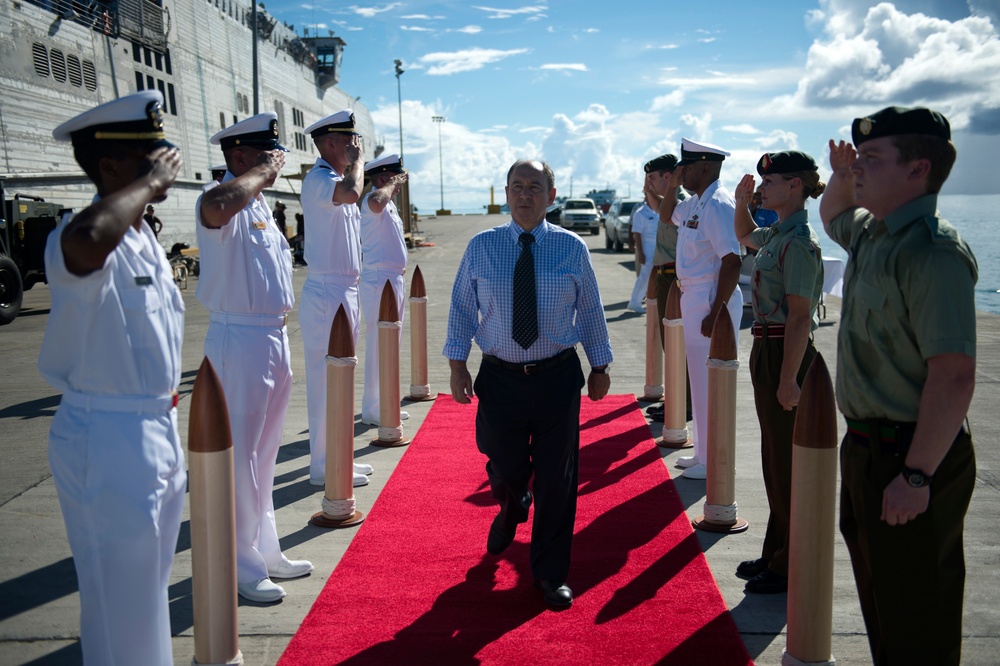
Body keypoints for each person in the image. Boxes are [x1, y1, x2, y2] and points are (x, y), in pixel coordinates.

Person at [821, 106, 977, 665]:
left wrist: (916, 475)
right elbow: (833, 211)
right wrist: (843, 177)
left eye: (872, 159)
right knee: (884, 605)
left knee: (918, 620)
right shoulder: (873, 232)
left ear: (918, 170)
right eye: (857, 158)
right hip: (868, 448)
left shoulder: (932, 252)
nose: (858, 168)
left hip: (911, 454)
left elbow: (954, 374)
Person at [41, 90, 185, 664]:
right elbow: (86, 243)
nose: (167, 162)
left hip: (155, 427)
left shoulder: (143, 236)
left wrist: (146, 191)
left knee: (147, 597)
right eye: (152, 155)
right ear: (110, 166)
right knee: (120, 602)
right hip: (108, 436)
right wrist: (149, 184)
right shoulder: (78, 236)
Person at [445, 159, 612, 607]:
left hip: (557, 376)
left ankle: (550, 572)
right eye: (517, 186)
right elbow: (462, 306)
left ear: (551, 195)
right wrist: (457, 363)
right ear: (506, 192)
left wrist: (600, 365)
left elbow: (591, 310)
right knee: (502, 462)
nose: (524, 195)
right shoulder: (482, 246)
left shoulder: (572, 248)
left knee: (558, 479)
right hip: (499, 377)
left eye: (534, 187)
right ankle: (511, 503)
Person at [197, 112, 313, 603]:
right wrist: (263, 173)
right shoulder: (221, 198)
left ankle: (266, 549)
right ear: (241, 156)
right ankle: (241, 565)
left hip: (272, 336)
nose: (278, 160)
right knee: (239, 457)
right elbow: (217, 207)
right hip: (237, 339)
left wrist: (262, 179)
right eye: (269, 153)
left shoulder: (261, 205)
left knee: (263, 457)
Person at [731, 151, 825, 595]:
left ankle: (788, 564)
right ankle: (775, 551)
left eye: (771, 183)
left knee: (786, 462)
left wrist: (789, 379)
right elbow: (746, 235)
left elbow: (801, 319)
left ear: (795, 187)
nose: (763, 189)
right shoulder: (776, 234)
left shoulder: (799, 243)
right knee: (774, 458)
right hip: (766, 348)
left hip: (784, 352)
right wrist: (741, 202)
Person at [658, 138, 743, 480]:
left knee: (712, 383)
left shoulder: (718, 204)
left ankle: (712, 460)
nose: (682, 171)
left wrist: (716, 312)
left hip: (711, 297)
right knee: (699, 379)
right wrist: (674, 186)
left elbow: (733, 261)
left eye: (687, 167)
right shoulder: (695, 203)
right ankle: (703, 453)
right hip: (696, 296)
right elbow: (666, 215)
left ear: (706, 167)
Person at [298, 109, 372, 487]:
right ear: (329, 143)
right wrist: (357, 165)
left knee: (342, 379)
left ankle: (340, 457)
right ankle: (323, 465)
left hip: (345, 289)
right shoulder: (319, 181)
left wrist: (354, 165)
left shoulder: (333, 179)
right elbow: (353, 192)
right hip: (327, 291)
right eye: (349, 142)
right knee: (324, 382)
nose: (355, 147)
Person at [359, 154, 410, 425]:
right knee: (380, 345)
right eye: (396, 179)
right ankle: (374, 408)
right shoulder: (373, 202)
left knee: (391, 345)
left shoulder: (389, 205)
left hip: (392, 280)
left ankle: (385, 401)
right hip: (380, 281)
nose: (399, 185)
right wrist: (390, 185)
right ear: (383, 178)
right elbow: (377, 200)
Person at [641, 154, 691, 424]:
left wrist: (652, 194)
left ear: (669, 177)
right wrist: (650, 192)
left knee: (676, 345)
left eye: (654, 177)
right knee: (670, 344)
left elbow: (666, 211)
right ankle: (677, 400)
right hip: (665, 276)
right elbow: (660, 209)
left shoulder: (681, 202)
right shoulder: (667, 203)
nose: (649, 182)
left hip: (675, 278)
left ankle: (683, 404)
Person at [625, 162, 662, 313]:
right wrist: (640, 253)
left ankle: (649, 301)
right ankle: (634, 302)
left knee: (655, 277)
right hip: (647, 248)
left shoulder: (658, 210)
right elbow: (637, 234)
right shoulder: (641, 212)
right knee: (644, 277)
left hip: (659, 248)